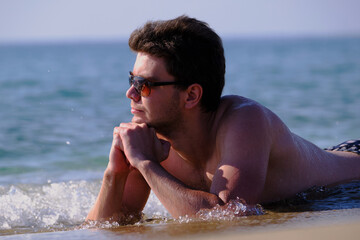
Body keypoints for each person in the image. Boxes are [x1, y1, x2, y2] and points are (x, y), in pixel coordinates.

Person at [86, 16, 360, 222]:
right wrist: (116, 171)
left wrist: (145, 164)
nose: (130, 92)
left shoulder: (244, 120)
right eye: (132, 80)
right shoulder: (147, 137)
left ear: (191, 95)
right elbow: (110, 226)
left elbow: (229, 218)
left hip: (348, 186)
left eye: (145, 85)